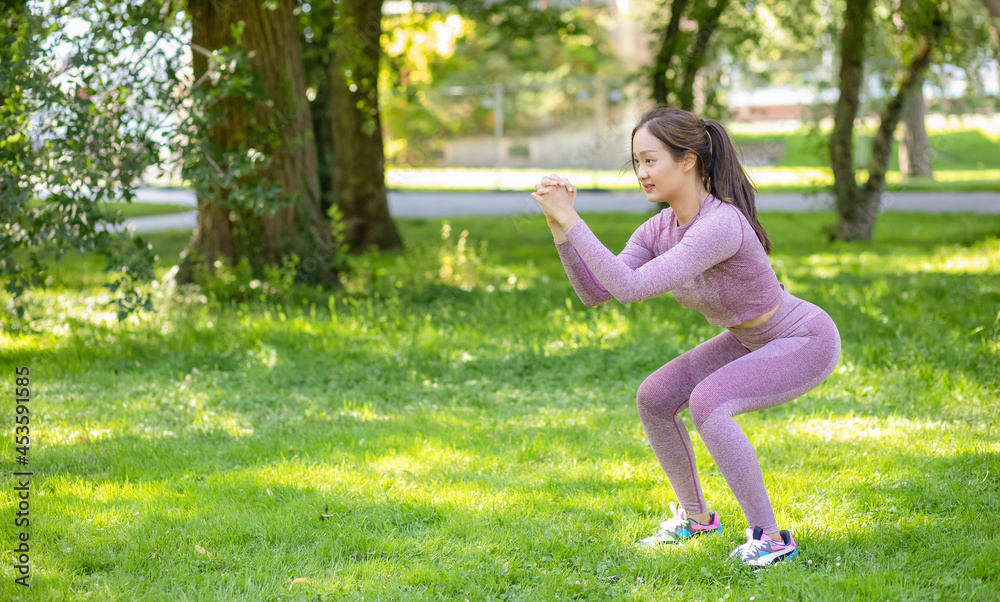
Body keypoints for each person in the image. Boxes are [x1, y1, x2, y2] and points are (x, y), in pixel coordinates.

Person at [530, 106, 841, 568]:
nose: (641, 172)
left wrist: (575, 222)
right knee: (654, 398)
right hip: (745, 336)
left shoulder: (720, 225)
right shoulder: (659, 228)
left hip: (801, 337)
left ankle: (772, 539)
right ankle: (696, 519)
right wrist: (560, 228)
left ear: (689, 160)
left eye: (650, 160)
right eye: (636, 162)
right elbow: (596, 291)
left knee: (709, 402)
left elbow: (631, 289)